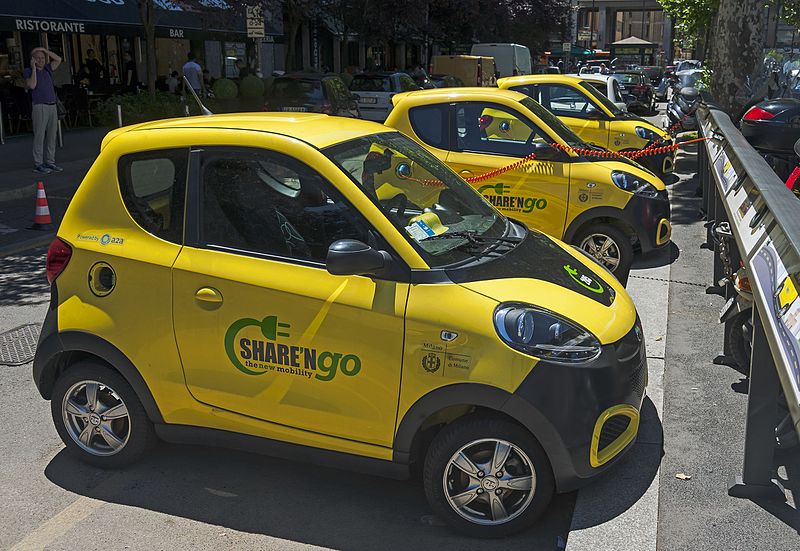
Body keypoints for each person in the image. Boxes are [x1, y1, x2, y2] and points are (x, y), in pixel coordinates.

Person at [23, 47, 62, 174]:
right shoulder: (28, 71)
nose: (41, 60)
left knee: (52, 135)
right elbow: (32, 85)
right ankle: (38, 163)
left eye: (42, 58)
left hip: (52, 105)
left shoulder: (48, 69)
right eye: (38, 58)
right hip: (40, 106)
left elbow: (58, 59)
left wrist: (44, 50)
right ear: (33, 60)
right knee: (39, 135)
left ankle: (50, 162)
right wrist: (34, 68)